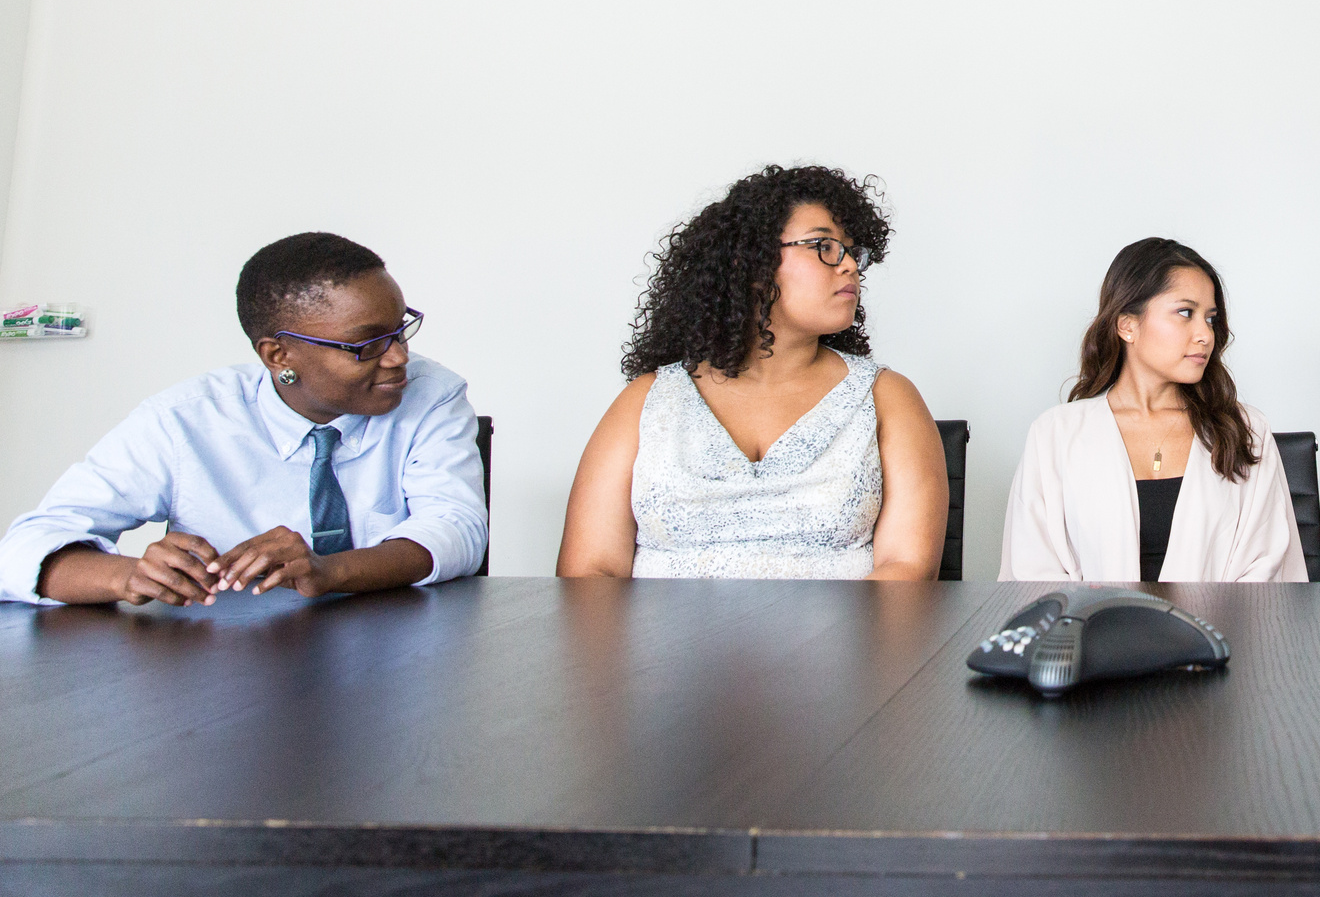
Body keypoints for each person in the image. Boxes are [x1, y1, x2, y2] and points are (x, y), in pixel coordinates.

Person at [0, 233, 486, 607]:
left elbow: (456, 528)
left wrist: (330, 571)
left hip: (399, 660)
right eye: (367, 344)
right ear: (278, 356)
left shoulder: (432, 394)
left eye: (401, 329)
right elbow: (22, 550)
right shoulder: (185, 421)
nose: (399, 357)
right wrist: (124, 575)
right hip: (226, 667)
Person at [557, 164, 946, 580]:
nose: (849, 264)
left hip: (840, 644)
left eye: (852, 251)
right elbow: (588, 573)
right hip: (658, 645)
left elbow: (906, 570)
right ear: (752, 264)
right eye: (824, 246)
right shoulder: (648, 399)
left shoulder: (888, 397)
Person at [1000, 237, 1305, 582]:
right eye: (1185, 313)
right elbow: (1032, 573)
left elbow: (1266, 569)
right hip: (1090, 634)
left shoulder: (1245, 430)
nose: (1205, 334)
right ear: (1127, 324)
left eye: (1210, 318)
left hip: (1219, 633)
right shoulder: (1055, 434)